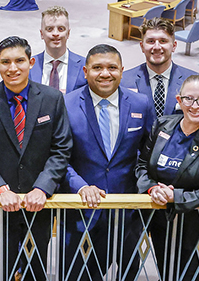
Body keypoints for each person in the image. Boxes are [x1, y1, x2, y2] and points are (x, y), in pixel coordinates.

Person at [0, 36, 72, 281]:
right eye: (5, 62)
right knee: (0, 269)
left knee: (35, 271)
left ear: (31, 62)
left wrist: (42, 187)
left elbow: (61, 150)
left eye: (19, 61)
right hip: (0, 205)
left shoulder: (52, 99)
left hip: (39, 204)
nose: (12, 68)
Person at [62, 44, 155, 281]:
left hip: (127, 211)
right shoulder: (66, 104)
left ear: (122, 71)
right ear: (85, 71)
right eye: (97, 68)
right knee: (79, 275)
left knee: (128, 273)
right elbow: (59, 157)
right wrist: (81, 186)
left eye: (112, 67)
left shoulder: (141, 103)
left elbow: (149, 153)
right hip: (82, 210)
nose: (105, 73)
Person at [135, 75, 199, 281]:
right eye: (189, 99)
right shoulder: (163, 126)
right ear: (179, 100)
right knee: (167, 275)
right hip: (161, 223)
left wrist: (177, 197)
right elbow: (141, 166)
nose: (195, 106)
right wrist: (152, 188)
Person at [122, 18, 199, 118]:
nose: (156, 47)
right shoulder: (123, 81)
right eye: (151, 41)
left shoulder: (195, 82)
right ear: (142, 47)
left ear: (174, 46)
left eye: (163, 41)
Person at [29, 6, 86, 94]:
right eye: (49, 29)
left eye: (61, 29)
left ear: (68, 33)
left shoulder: (84, 65)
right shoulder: (28, 66)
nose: (55, 34)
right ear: (41, 34)